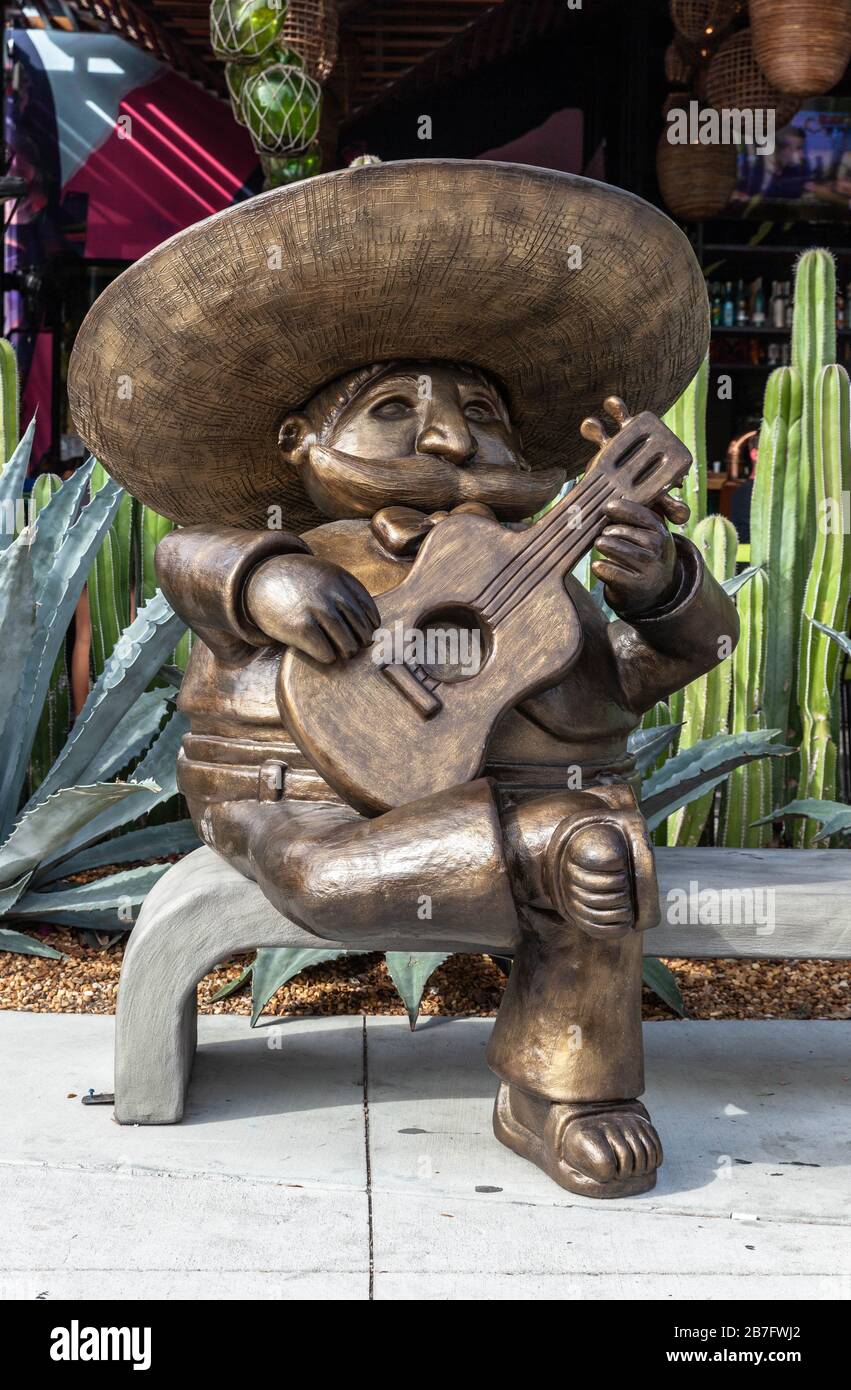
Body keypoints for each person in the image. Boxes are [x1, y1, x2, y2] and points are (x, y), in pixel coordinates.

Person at [69, 159, 738, 1198]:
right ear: (300, 443)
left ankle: (562, 1089)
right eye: (392, 408)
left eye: (480, 408)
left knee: (596, 854)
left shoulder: (533, 568)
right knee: (327, 877)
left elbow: (658, 668)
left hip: (538, 802)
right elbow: (182, 558)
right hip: (295, 805)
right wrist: (266, 580)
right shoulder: (297, 541)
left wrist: (664, 587)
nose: (447, 434)